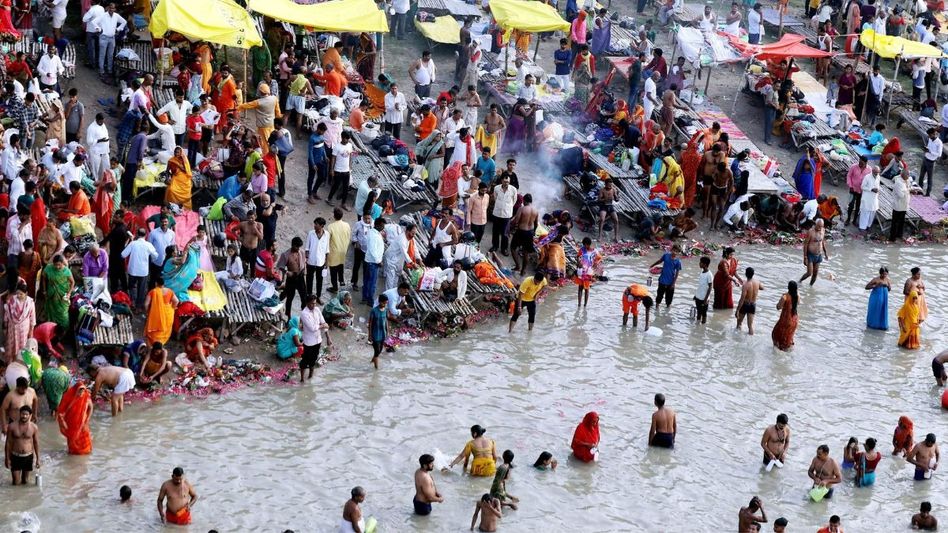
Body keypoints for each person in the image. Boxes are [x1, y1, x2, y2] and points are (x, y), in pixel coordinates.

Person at [4, 405, 38, 485]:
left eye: (26, 414)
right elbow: (8, 443)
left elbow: (36, 443)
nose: (24, 416)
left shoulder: (34, 427)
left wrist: (38, 458)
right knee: (16, 482)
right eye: (23, 414)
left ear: (30, 415)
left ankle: (24, 497)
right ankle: (15, 497)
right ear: (20, 414)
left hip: (28, 456)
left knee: (25, 481)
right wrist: (7, 458)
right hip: (15, 456)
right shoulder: (12, 426)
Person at [56, 382, 93, 455]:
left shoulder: (86, 396)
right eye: (80, 390)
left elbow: (91, 407)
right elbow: (61, 411)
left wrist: (87, 419)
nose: (81, 392)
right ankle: (73, 454)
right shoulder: (68, 397)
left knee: (85, 440)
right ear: (76, 390)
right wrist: (62, 421)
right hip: (71, 424)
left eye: (82, 390)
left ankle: (85, 452)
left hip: (83, 423)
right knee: (72, 439)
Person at [38, 254, 73, 329]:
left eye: (59, 265)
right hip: (51, 293)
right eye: (55, 265)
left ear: (62, 263)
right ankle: (52, 326)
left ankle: (64, 328)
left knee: (63, 312)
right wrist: (44, 290)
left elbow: (72, 282)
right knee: (51, 308)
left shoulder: (67, 271)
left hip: (63, 295)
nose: (57, 267)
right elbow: (44, 278)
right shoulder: (48, 268)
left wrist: (69, 293)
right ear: (53, 263)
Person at [300, 294, 330, 382]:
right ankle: (302, 379)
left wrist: (328, 337)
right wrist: (322, 326)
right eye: (312, 304)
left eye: (315, 303)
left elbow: (323, 322)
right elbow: (312, 328)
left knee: (313, 359)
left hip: (318, 340)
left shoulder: (317, 310)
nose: (314, 305)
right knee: (305, 361)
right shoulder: (304, 313)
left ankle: (310, 376)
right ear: (307, 303)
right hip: (309, 342)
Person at [4, 282, 34, 361]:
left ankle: (20, 363)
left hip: (23, 329)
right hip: (12, 327)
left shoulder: (30, 302)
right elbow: (7, 313)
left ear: (26, 293)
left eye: (21, 294)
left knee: (22, 346)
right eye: (17, 293)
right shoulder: (11, 300)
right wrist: (5, 325)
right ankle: (11, 362)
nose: (18, 296)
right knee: (11, 345)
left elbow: (32, 317)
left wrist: (31, 330)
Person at [145, 277, 178, 346]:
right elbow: (176, 301)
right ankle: (160, 344)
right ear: (163, 284)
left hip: (155, 314)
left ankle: (153, 344)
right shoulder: (169, 291)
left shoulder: (153, 292)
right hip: (167, 314)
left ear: (156, 283)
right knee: (164, 329)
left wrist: (148, 312)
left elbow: (146, 304)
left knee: (155, 330)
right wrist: (172, 308)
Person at [735, 267, 762, 335]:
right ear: (753, 274)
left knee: (739, 324)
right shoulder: (757, 282)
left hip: (745, 304)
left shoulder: (745, 285)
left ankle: (737, 339)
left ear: (746, 274)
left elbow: (742, 298)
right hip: (753, 305)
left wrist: (737, 310)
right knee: (750, 326)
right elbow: (762, 288)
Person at [919, 128, 942, 196]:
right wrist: (926, 149)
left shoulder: (939, 143)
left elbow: (939, 154)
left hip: (931, 162)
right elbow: (929, 147)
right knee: (921, 176)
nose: (928, 136)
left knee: (929, 178)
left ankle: (928, 193)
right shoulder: (930, 139)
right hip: (925, 158)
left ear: (933, 134)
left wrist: (930, 151)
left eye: (929, 135)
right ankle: (920, 190)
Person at [368, 293, 388, 370]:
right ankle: (376, 369)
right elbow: (370, 323)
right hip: (375, 334)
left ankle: (373, 360)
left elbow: (386, 321)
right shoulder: (374, 311)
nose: (385, 304)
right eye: (384, 303)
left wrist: (387, 331)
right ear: (380, 302)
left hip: (383, 333)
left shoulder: (385, 310)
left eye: (386, 303)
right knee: (377, 351)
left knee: (380, 350)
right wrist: (369, 335)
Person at [858, 166, 881, 231]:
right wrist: (871, 189)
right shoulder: (867, 177)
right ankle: (862, 227)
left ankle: (868, 226)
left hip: (874, 199)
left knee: (872, 213)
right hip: (867, 198)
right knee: (865, 213)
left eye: (878, 173)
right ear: (872, 171)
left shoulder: (878, 177)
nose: (877, 174)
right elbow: (862, 187)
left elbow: (878, 185)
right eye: (876, 173)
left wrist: (877, 190)